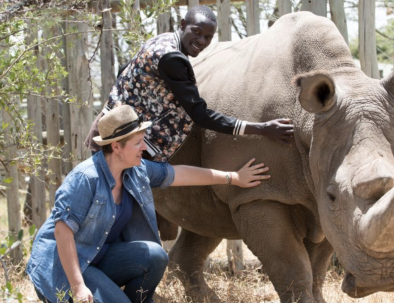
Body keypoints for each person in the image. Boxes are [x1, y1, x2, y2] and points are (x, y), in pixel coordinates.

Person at [27, 105, 271, 303]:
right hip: (65, 266)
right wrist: (79, 287)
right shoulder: (86, 178)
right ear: (116, 147)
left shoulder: (135, 170)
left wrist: (234, 178)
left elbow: (180, 174)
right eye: (138, 143)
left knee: (155, 255)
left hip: (97, 256)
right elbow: (62, 232)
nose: (144, 148)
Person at [84, 5, 293, 162]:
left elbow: (125, 70)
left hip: (111, 132)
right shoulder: (172, 58)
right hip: (121, 146)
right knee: (118, 212)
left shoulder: (163, 40)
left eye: (208, 37)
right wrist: (262, 129)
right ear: (183, 25)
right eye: (197, 32)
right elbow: (200, 115)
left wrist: (112, 109)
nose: (202, 41)